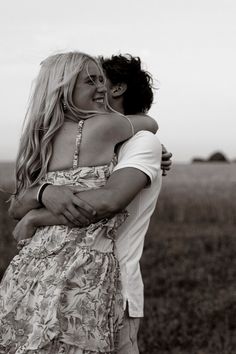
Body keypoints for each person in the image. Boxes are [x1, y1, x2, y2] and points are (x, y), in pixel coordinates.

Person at [9, 54, 172, 353]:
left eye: (101, 80)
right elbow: (16, 205)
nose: (98, 87)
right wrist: (43, 192)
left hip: (107, 284)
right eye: (90, 80)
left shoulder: (140, 142)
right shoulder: (101, 135)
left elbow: (107, 201)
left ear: (118, 89)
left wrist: (35, 217)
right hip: (61, 276)